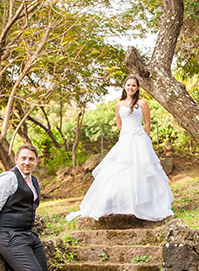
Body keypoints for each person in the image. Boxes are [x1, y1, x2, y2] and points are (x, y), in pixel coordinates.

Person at [66, 75, 174, 222]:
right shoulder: (119, 104)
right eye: (128, 85)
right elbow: (119, 125)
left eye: (134, 85)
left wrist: (144, 139)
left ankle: (146, 204)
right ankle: (122, 204)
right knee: (120, 170)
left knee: (143, 170)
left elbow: (147, 124)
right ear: (124, 86)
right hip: (125, 139)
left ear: (137, 88)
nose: (131, 87)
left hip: (140, 139)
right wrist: (127, 135)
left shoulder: (142, 103)